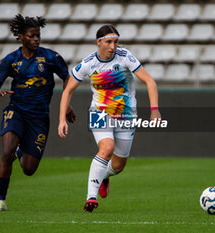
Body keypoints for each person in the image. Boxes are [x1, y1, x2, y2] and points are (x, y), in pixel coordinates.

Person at [58, 25, 161, 212]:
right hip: (99, 113)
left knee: (119, 166)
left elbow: (150, 81)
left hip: (126, 115)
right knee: (106, 148)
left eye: (115, 41)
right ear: (98, 42)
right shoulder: (88, 63)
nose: (113, 46)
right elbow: (68, 91)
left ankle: (104, 176)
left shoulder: (125, 57)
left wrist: (154, 110)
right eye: (108, 42)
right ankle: (91, 198)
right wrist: (61, 120)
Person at [0, 14, 75, 212]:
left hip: (39, 118)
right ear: (21, 36)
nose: (36, 39)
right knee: (6, 152)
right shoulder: (11, 60)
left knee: (29, 169)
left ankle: (21, 151)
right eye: (32, 36)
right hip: (16, 111)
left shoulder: (51, 57)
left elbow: (68, 78)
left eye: (38, 35)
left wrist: (66, 102)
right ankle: (0, 201)